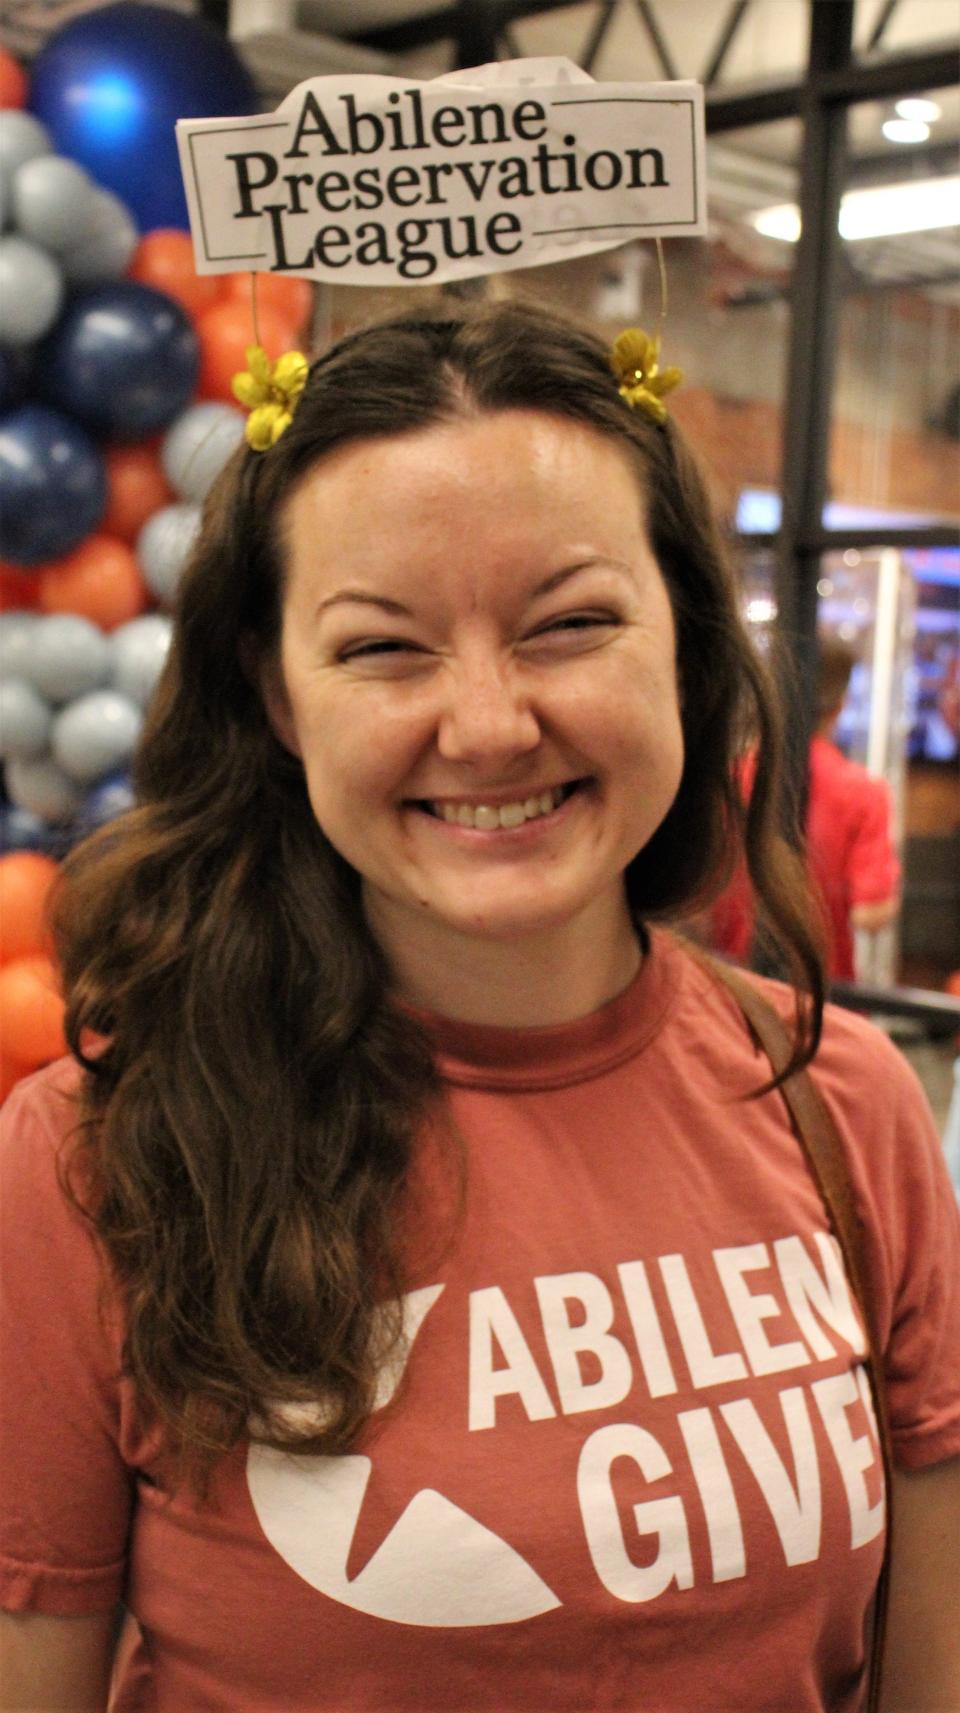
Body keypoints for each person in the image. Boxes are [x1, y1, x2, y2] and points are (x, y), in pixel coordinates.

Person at [1, 300, 957, 1713]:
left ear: (684, 649)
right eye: (384, 647)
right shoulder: (96, 1158)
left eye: (570, 624)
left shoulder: (844, 1100)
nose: (492, 723)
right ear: (277, 695)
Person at [710, 638, 901, 983]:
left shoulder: (728, 779)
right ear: (839, 706)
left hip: (730, 991)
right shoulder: (862, 792)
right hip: (820, 1000)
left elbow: (696, 902)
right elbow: (871, 912)